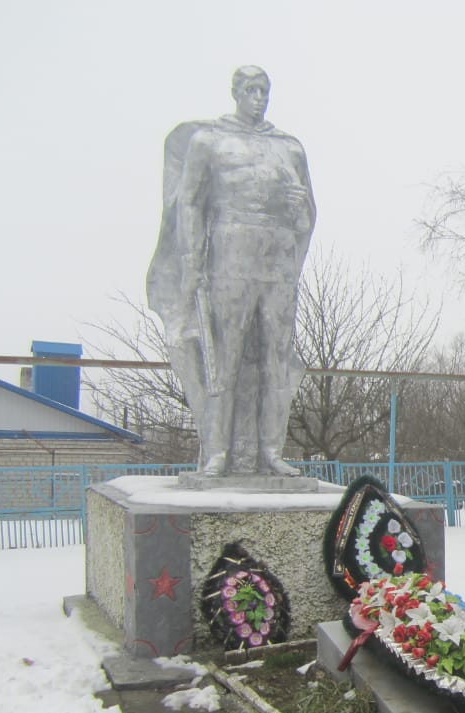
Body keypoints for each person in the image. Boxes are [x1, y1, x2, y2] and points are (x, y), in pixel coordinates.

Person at [147, 66, 316, 477]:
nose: (259, 98)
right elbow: (189, 203)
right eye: (252, 90)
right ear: (237, 92)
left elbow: (308, 216)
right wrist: (192, 261)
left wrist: (298, 211)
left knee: (277, 358)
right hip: (229, 254)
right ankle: (217, 453)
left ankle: (271, 452)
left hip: (276, 260)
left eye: (265, 91)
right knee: (225, 358)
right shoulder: (210, 141)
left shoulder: (288, 148)